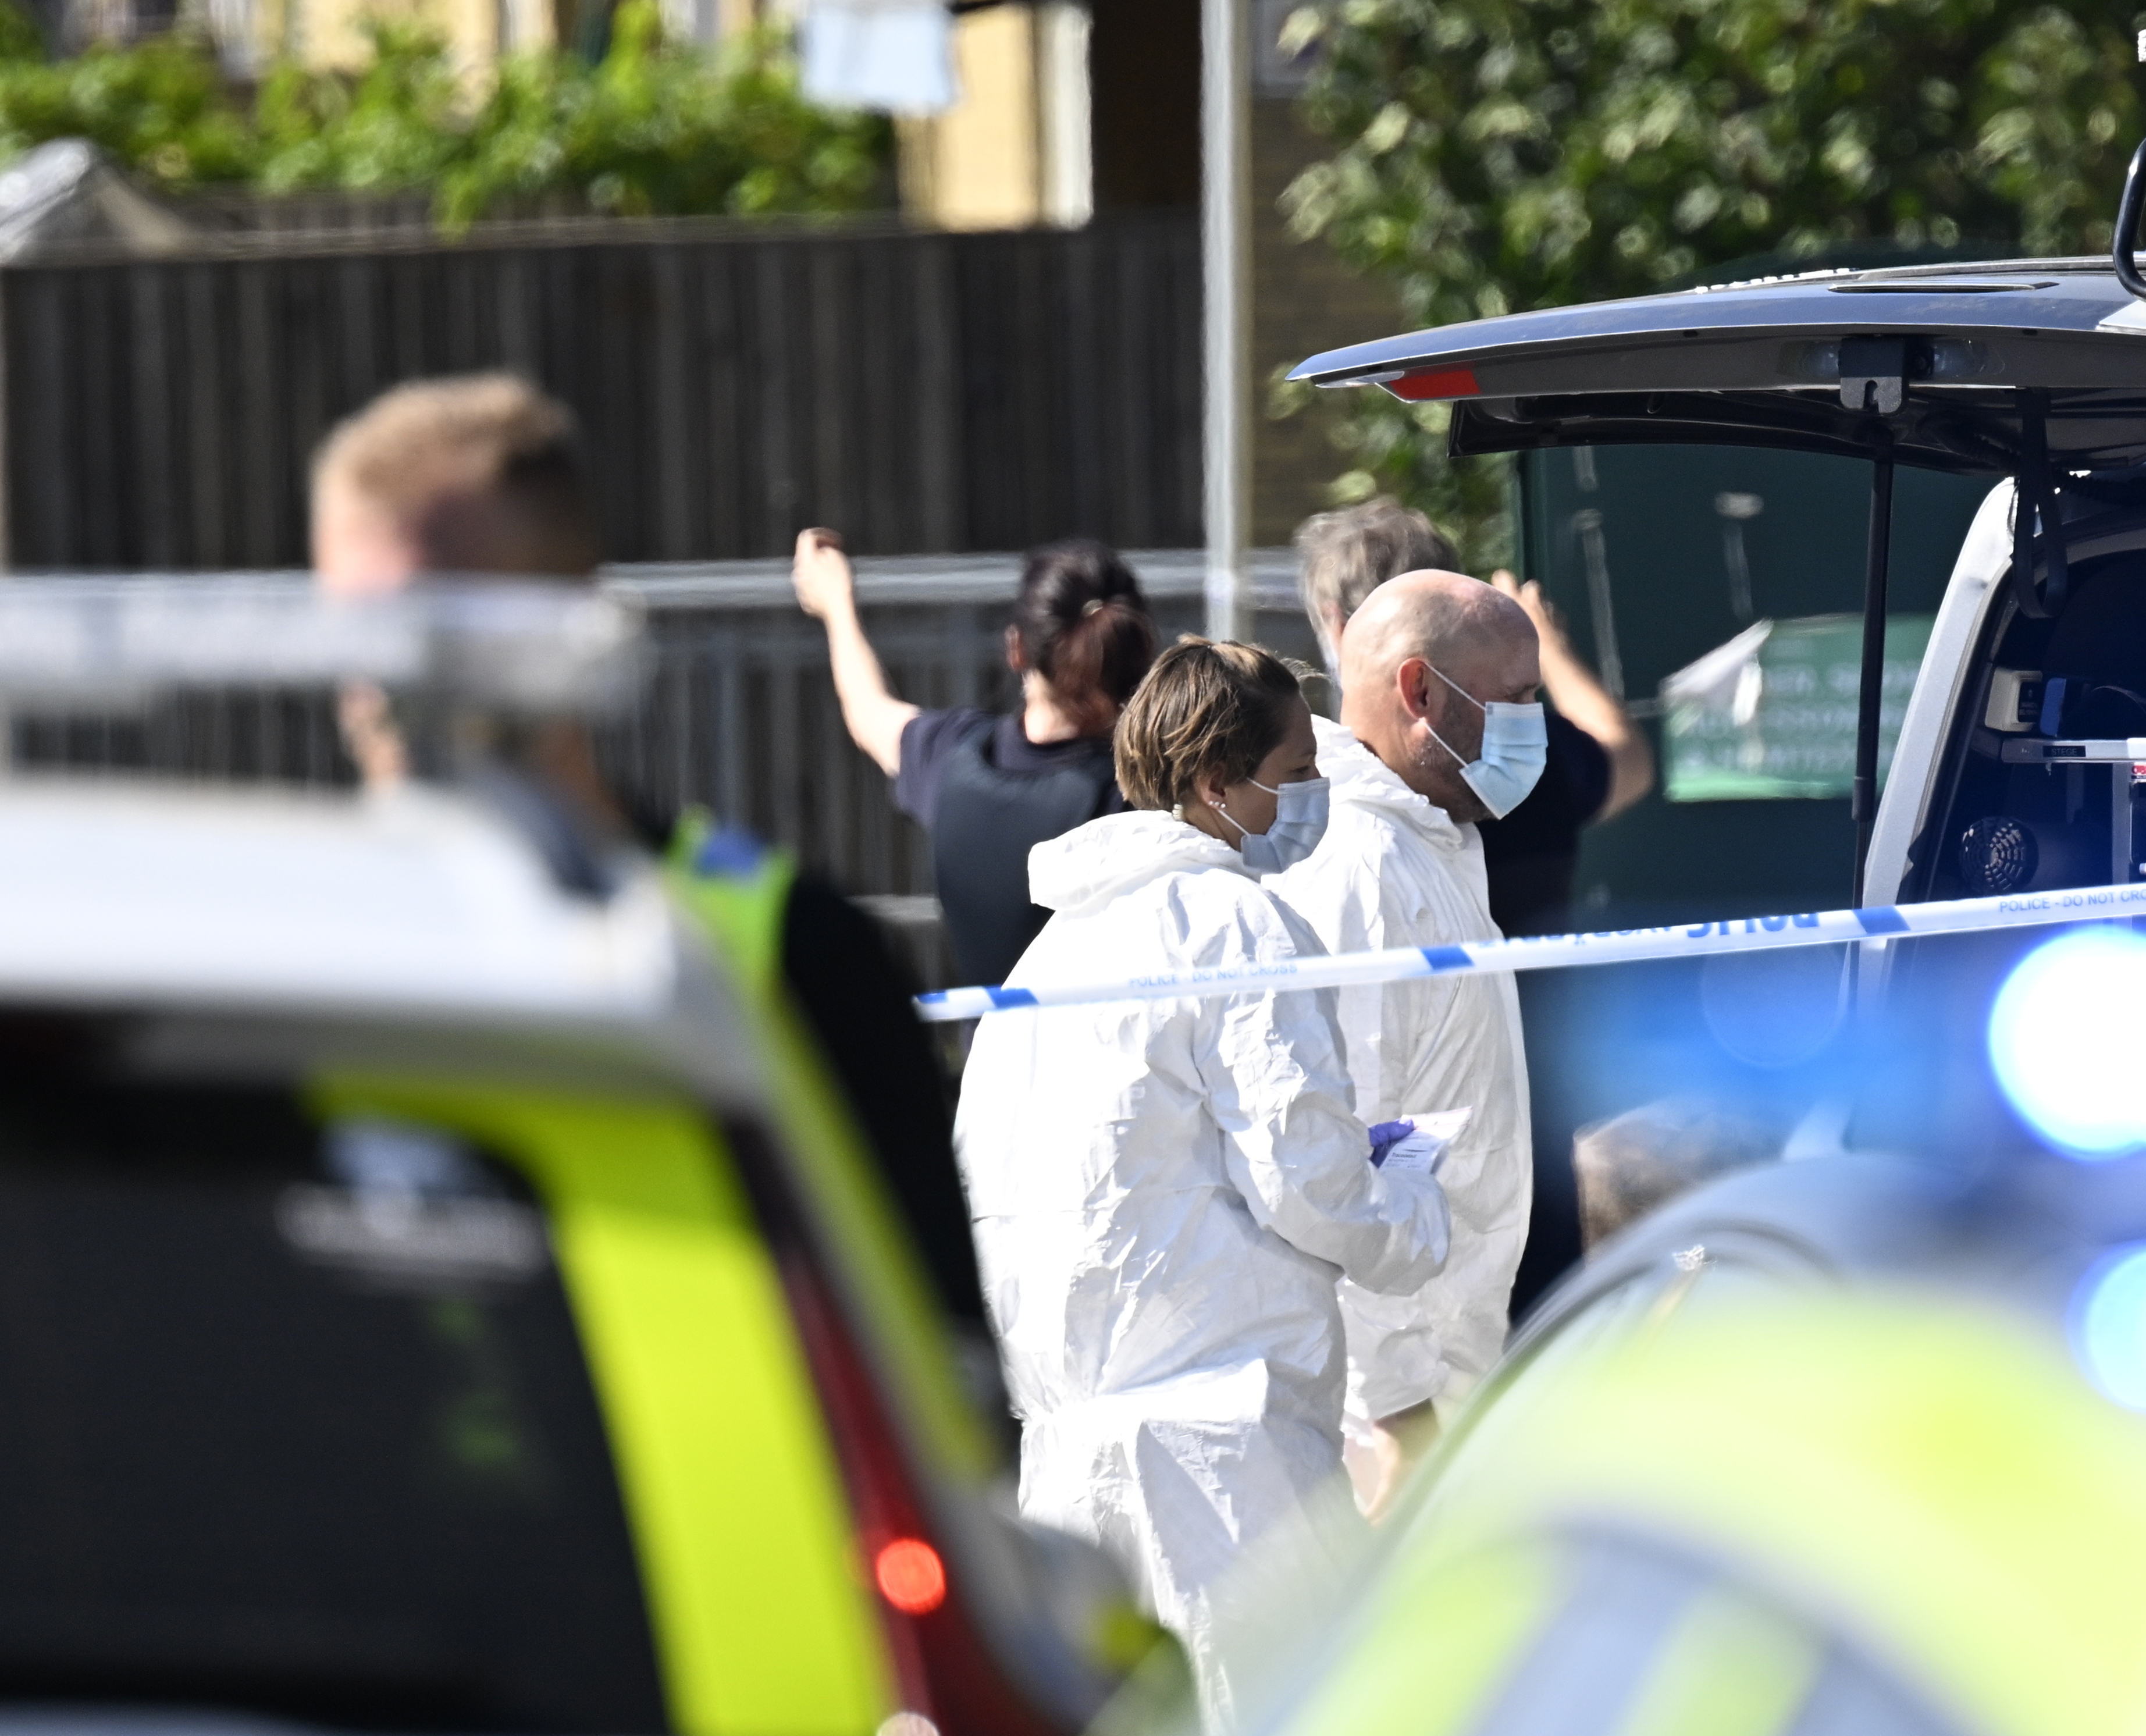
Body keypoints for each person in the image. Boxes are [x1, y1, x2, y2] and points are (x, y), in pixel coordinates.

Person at [308, 372, 988, 1332]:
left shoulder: (788, 950)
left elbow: (934, 1358)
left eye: (432, 622)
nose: (379, 678)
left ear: (571, 622)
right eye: (349, 625)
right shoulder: (290, 953)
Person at [952, 638, 1450, 1714]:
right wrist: (1409, 1198)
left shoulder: (1045, 961)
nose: (1316, 795)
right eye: (1299, 770)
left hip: (1068, 1464)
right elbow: (1312, 1181)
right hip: (1224, 1461)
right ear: (1219, 781)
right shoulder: (1232, 922)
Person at [1265, 571, 1542, 1518]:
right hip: (1387, 1422)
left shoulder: (1432, 840)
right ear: (1421, 691)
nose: (1533, 726)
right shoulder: (1358, 867)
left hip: (1443, 1368)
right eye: (1518, 700)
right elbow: (1343, 1157)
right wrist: (1396, 1414)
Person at [791, 528, 1155, 988]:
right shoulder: (1144, 794)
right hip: (1114, 1058)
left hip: (987, 1058)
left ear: (1017, 647)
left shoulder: (955, 757)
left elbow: (868, 710)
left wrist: (836, 605)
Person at [1292, 498, 1653, 936]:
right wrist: (1552, 649)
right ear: (1418, 691)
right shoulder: (1353, 838)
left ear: (1334, 621)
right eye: (1515, 694)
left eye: (1524, 696)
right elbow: (1628, 758)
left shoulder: (1299, 796)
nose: (1522, 716)